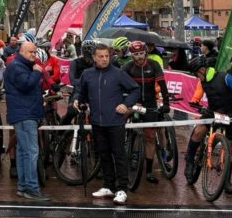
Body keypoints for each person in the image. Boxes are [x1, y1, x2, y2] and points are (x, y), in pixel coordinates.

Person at [72, 43, 140, 204]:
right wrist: (77, 100)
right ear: (94, 58)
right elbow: (80, 92)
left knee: (119, 155)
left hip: (115, 121)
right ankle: (109, 185)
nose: (104, 59)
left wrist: (126, 104)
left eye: (106, 56)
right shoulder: (87, 74)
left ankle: (122, 188)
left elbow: (135, 89)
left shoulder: (118, 73)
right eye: (101, 56)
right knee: (103, 155)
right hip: (97, 121)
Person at [184, 54, 232, 193]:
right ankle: (190, 162)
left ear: (202, 69)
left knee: (229, 149)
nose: (196, 77)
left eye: (197, 73)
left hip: (229, 115)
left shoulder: (226, 78)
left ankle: (227, 181)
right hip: (212, 112)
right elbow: (198, 92)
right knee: (198, 132)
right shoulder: (202, 80)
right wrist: (195, 100)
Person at [3, 39, 48, 201]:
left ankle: (23, 187)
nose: (34, 55)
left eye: (35, 52)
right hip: (25, 114)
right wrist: (36, 72)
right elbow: (26, 85)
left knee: (23, 151)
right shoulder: (17, 67)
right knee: (30, 152)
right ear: (21, 52)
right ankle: (31, 187)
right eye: (30, 52)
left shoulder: (21, 66)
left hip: (25, 113)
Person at [121, 40, 171, 184]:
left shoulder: (154, 65)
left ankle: (149, 171)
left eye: (141, 53)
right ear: (131, 55)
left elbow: (162, 85)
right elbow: (118, 84)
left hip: (150, 103)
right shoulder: (127, 67)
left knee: (150, 137)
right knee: (120, 118)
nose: (139, 57)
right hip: (133, 102)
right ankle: (120, 142)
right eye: (135, 54)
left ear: (146, 53)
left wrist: (166, 103)